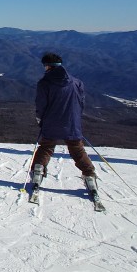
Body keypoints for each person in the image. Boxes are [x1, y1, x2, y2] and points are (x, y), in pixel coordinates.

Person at [30, 52, 97, 192]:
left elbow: (41, 104)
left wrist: (40, 119)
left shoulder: (44, 83)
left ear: (47, 66)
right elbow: (81, 102)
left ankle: (37, 172)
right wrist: (76, 118)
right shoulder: (76, 82)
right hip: (72, 122)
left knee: (46, 147)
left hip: (51, 121)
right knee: (77, 149)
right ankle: (89, 175)